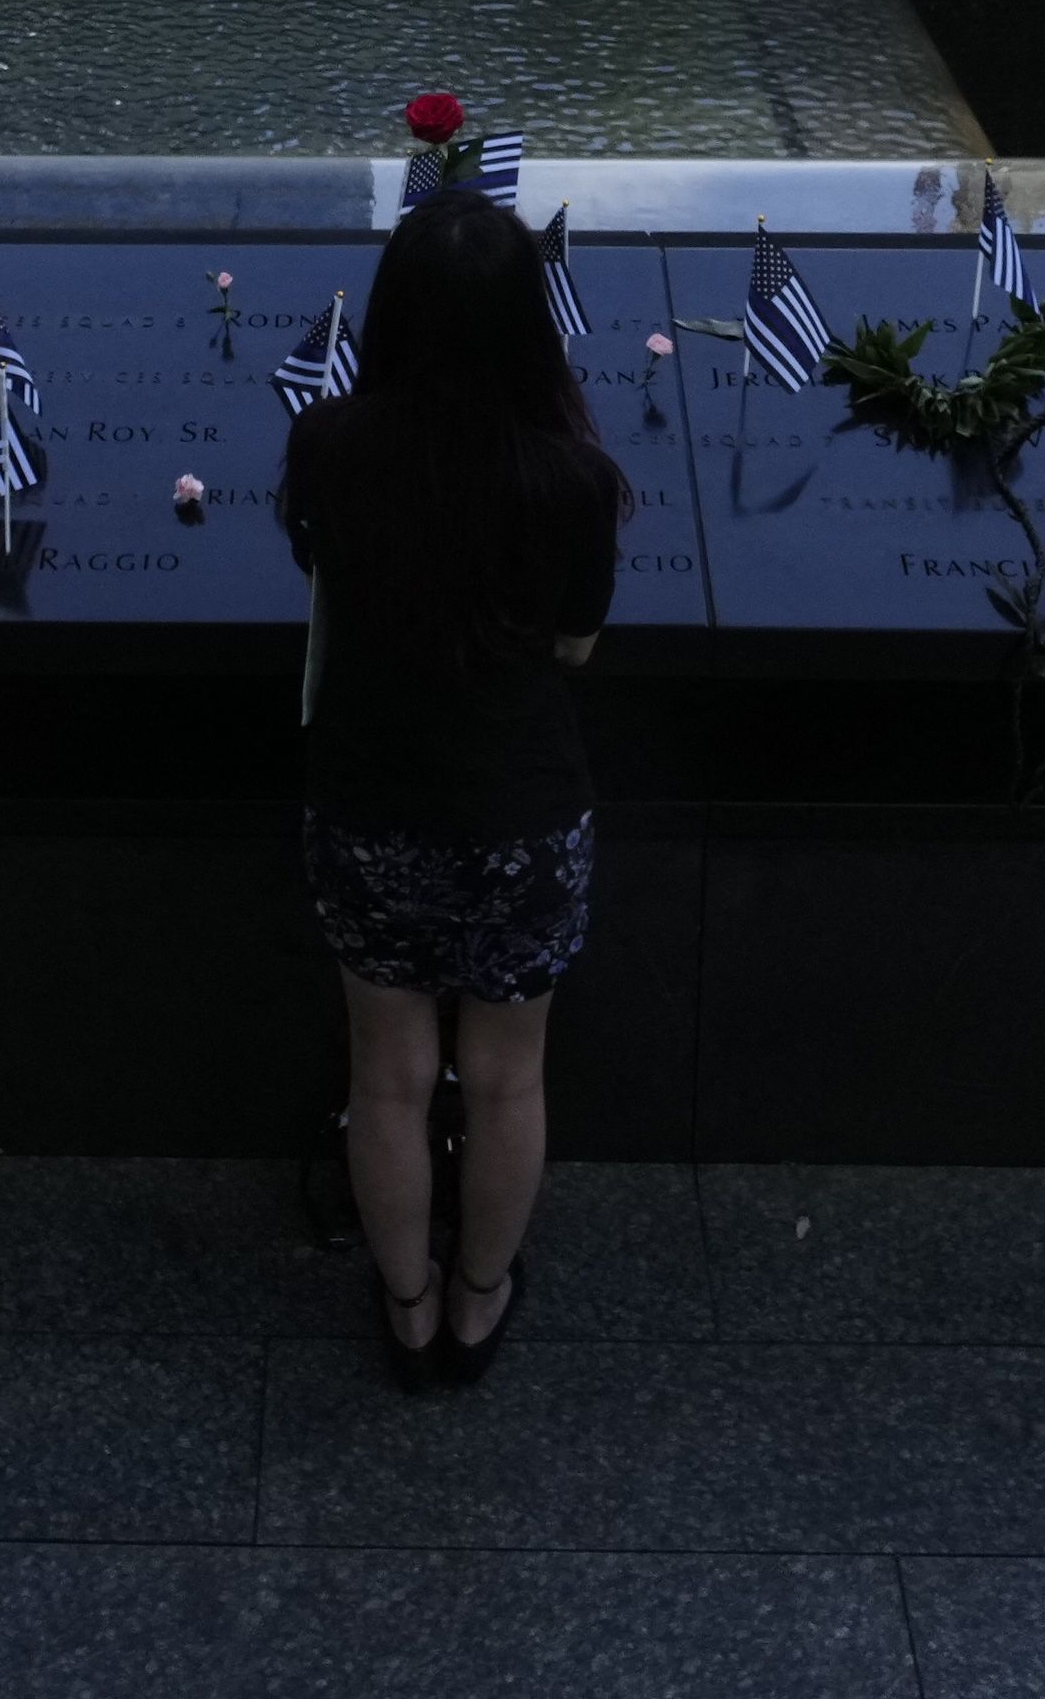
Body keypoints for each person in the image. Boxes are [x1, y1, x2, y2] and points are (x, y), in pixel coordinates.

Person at [277, 185, 630, 1391]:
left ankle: (409, 1302)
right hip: (520, 813)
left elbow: (321, 563)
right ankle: (481, 1302)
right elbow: (576, 648)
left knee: (387, 1071)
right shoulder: (573, 481)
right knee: (504, 1074)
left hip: (372, 798)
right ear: (528, 325)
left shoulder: (327, 446)